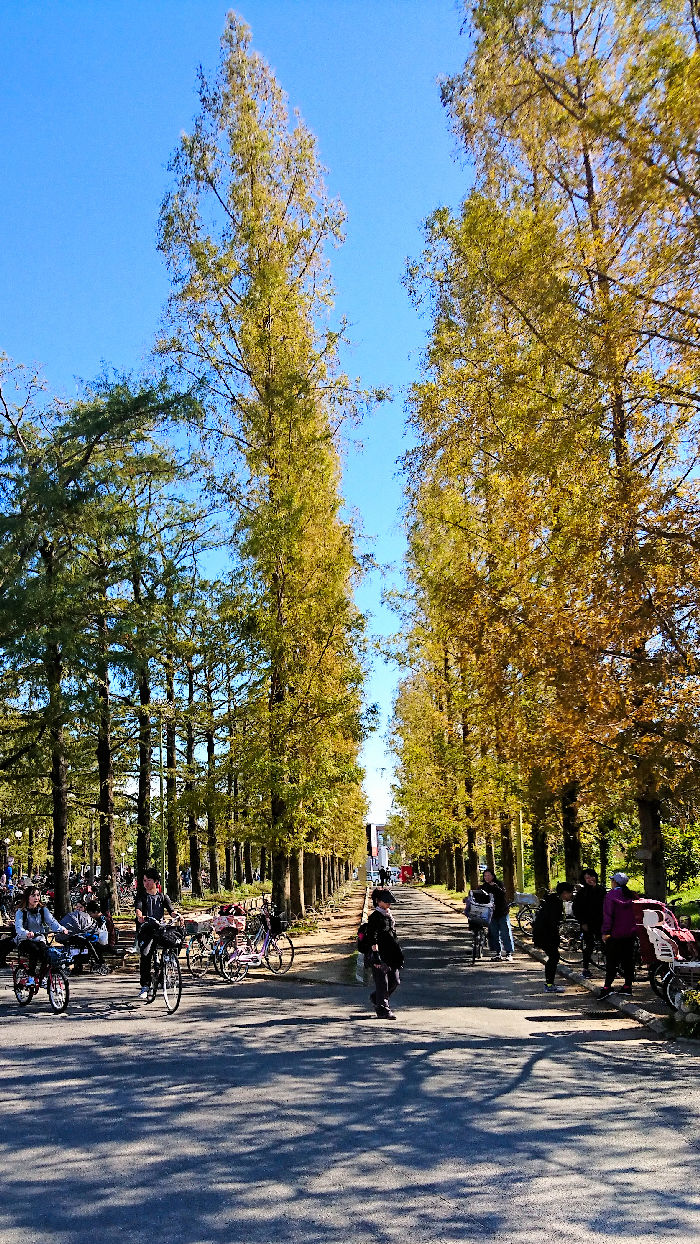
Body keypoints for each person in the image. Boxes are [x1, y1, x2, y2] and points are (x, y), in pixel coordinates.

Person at [135, 868, 181, 1000]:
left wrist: (177, 915)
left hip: (160, 929)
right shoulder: (141, 896)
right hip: (146, 930)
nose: (146, 883)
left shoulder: (163, 897)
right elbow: (138, 909)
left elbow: (171, 911)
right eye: (144, 881)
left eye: (148, 880)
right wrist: (141, 917)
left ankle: (163, 973)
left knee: (172, 944)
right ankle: (145, 986)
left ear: (155, 882)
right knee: (145, 955)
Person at [13, 885, 70, 986]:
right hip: (24, 940)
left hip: (39, 938)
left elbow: (52, 922)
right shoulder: (21, 911)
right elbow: (18, 927)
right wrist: (27, 933)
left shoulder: (43, 910)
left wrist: (62, 929)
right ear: (27, 897)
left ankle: (42, 977)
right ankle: (30, 977)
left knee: (46, 954)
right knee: (34, 951)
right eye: (33, 895)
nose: (36, 898)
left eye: (38, 895)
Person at [366, 888, 404, 1020]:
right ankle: (383, 1009)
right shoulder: (375, 917)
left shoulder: (388, 915)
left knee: (395, 981)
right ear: (378, 901)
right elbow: (372, 937)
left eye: (390, 902)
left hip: (392, 954)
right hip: (379, 954)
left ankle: (376, 998)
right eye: (386, 901)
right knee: (382, 983)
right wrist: (375, 955)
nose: (389, 904)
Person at [600, 871, 638, 998]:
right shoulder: (632, 895)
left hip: (615, 934)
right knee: (628, 960)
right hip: (630, 933)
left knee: (612, 960)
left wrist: (605, 932)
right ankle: (627, 986)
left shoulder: (611, 896)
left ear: (615, 882)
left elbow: (608, 916)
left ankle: (607, 987)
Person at [532, 881, 575, 993]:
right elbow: (552, 922)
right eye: (570, 893)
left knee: (554, 957)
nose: (571, 895)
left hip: (541, 933)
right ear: (565, 893)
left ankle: (550, 983)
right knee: (554, 957)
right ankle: (549, 984)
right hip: (545, 934)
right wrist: (557, 936)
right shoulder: (555, 903)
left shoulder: (551, 899)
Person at [572, 868, 605, 978]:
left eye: (592, 876)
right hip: (587, 923)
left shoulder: (601, 889)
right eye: (587, 878)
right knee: (589, 945)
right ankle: (585, 968)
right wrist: (583, 922)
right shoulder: (582, 893)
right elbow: (577, 909)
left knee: (605, 944)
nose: (590, 879)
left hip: (601, 922)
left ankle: (610, 968)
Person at [480, 869, 515, 962]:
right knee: (494, 934)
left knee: (505, 932)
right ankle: (497, 953)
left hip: (502, 912)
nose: (486, 877)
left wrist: (495, 886)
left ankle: (508, 953)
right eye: (485, 876)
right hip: (491, 914)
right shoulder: (483, 886)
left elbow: (503, 894)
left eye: (488, 875)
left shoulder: (499, 884)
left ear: (493, 876)